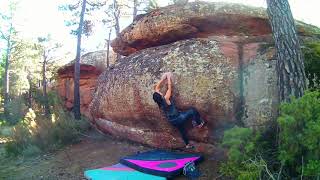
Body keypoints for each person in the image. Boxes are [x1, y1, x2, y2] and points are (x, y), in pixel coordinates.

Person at [152, 72, 205, 149]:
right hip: (179, 117)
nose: (160, 92)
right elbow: (170, 88)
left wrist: (163, 79)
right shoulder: (166, 99)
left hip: (172, 121)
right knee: (192, 110)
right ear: (160, 96)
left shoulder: (159, 103)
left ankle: (187, 145)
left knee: (182, 131)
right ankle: (198, 123)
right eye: (159, 93)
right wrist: (169, 77)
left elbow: (156, 88)